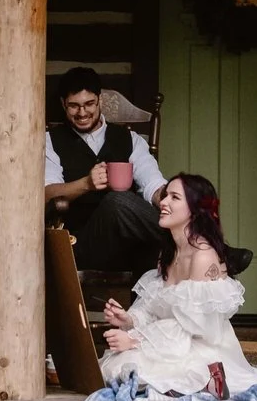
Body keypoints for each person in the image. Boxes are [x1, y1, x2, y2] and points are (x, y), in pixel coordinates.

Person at [98, 173, 257, 397]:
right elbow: (156, 307)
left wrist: (136, 340)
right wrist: (129, 320)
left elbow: (194, 326)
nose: (163, 202)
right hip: (169, 342)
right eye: (165, 196)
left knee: (137, 370)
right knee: (116, 368)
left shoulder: (202, 257)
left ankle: (209, 381)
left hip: (198, 346)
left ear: (195, 210)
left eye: (174, 197)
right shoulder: (168, 253)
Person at [43, 66, 166, 272]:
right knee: (116, 200)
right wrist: (86, 184)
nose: (82, 113)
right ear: (63, 104)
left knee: (181, 201)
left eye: (89, 104)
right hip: (81, 245)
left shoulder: (130, 139)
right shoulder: (51, 141)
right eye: (74, 106)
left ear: (99, 100)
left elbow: (152, 183)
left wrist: (172, 199)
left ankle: (198, 242)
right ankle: (200, 243)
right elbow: (48, 192)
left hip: (131, 246)